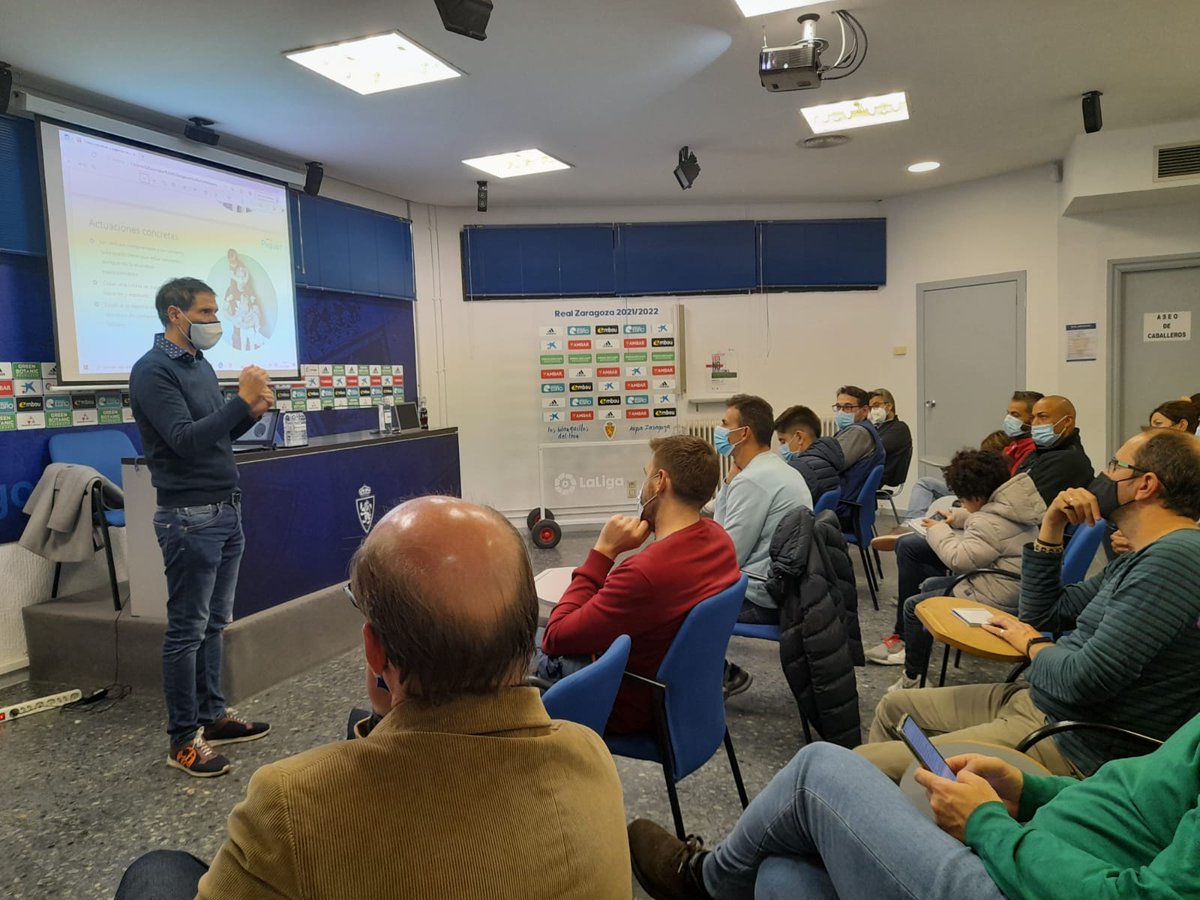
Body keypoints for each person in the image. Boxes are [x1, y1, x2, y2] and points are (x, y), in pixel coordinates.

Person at [115, 497, 631, 900]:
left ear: (375, 650)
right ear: (525, 634)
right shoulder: (589, 753)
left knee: (157, 870)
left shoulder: (290, 805)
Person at [857, 428, 1200, 782]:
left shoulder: (1172, 562)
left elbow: (1082, 681)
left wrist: (1032, 643)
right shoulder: (1141, 556)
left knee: (859, 765)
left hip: (1068, 740)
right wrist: (1050, 527)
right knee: (894, 708)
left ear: (1144, 485)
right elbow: (1044, 614)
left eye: (1114, 465)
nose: (1102, 475)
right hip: (1040, 702)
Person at [626, 710, 1200, 900]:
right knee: (780, 878)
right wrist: (1033, 793)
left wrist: (987, 825)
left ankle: (700, 880)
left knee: (817, 771)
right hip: (1041, 846)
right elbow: (1147, 798)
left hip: (1020, 879)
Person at [129, 277, 273, 778]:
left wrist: (248, 412)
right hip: (189, 518)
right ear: (176, 314)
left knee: (214, 623)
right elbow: (185, 441)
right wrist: (240, 401)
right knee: (186, 632)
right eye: (208, 312)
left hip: (224, 509)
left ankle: (212, 718)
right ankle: (182, 740)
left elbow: (217, 437)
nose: (216, 321)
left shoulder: (200, 365)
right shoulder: (153, 371)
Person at [537, 435, 740, 733]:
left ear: (660, 482)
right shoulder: (718, 539)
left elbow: (555, 637)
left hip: (627, 703)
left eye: (646, 475)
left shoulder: (646, 573)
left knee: (517, 645)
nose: (643, 485)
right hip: (685, 702)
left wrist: (603, 552)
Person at [877, 452, 1046, 687]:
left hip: (995, 596)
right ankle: (921, 654)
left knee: (913, 606)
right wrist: (956, 516)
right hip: (1009, 587)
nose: (962, 503)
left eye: (962, 500)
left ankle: (913, 677)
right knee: (929, 586)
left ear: (976, 498)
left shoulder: (986, 522)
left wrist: (938, 530)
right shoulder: (1014, 505)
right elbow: (993, 519)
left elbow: (958, 559)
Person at [715, 394, 812, 693]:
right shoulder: (780, 470)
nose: (720, 430)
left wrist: (731, 485)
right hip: (789, 591)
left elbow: (725, 555)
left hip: (763, 597)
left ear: (743, 433)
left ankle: (720, 677)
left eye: (724, 424)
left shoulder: (754, 479)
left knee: (676, 602)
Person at [902, 391, 1043, 518]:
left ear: (1033, 419)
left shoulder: (1030, 452)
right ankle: (912, 524)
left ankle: (911, 527)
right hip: (980, 493)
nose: (1008, 419)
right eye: (1008, 413)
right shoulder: (1013, 446)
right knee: (925, 483)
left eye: (1015, 415)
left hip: (984, 499)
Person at [1016, 394, 1093, 504]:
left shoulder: (1068, 460)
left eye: (1043, 417)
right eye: (1033, 418)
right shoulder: (1037, 453)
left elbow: (1028, 506)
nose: (1034, 424)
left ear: (1067, 421)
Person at [868, 388, 913, 488]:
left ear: (888, 406)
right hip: (868, 473)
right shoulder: (875, 427)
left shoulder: (900, 428)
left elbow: (875, 449)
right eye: (870, 407)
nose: (872, 410)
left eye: (876, 405)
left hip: (881, 476)